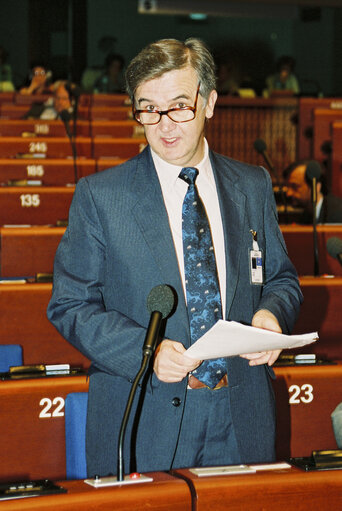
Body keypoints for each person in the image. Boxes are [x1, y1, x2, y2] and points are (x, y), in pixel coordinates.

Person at [47, 38, 302, 477]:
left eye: (180, 105)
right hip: (144, 417)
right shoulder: (100, 198)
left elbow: (281, 279)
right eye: (148, 108)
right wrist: (144, 354)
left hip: (241, 415)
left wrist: (271, 316)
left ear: (209, 102)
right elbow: (70, 306)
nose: (164, 126)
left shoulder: (252, 185)